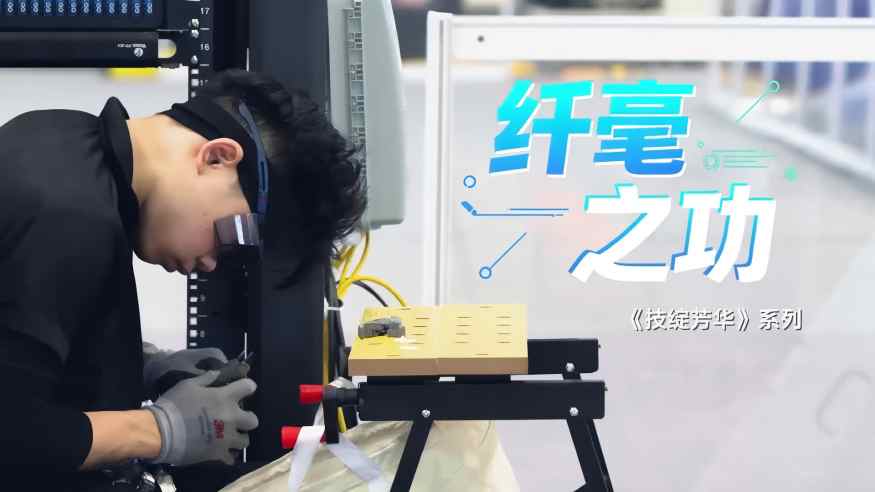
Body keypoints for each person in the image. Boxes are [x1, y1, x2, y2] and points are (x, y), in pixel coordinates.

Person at [0, 69, 367, 490]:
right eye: (236, 236)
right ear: (216, 157)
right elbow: (12, 433)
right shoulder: (67, 216)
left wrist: (140, 366)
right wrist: (161, 429)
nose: (212, 264)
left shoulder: (60, 138)